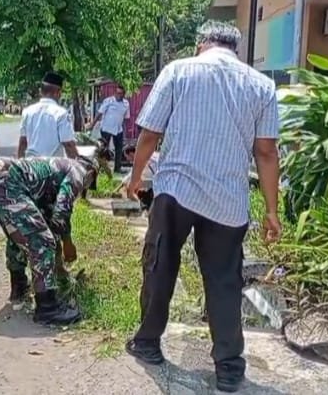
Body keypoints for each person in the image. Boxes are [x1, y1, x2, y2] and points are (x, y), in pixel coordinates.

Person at [123, 21, 281, 393]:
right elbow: (266, 152)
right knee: (224, 280)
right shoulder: (261, 85)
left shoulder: (178, 71)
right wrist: (272, 211)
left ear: (201, 44)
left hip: (176, 190)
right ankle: (229, 368)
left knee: (160, 265)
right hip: (228, 200)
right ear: (235, 49)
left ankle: (148, 343)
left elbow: (150, 133)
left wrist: (135, 178)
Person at [0, 155, 99, 325]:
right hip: (8, 186)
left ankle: (19, 286)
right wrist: (66, 243)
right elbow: (61, 212)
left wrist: (60, 264)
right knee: (42, 242)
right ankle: (47, 308)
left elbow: (49, 217)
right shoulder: (78, 171)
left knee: (20, 236)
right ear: (91, 173)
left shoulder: (56, 171)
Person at [17, 72, 79, 159]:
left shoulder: (27, 112)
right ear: (58, 92)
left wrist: (19, 163)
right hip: (52, 165)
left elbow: (23, 142)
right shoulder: (61, 114)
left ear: (41, 91)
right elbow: (68, 145)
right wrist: (78, 162)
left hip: (30, 164)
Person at [90, 84, 130, 173]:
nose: (119, 95)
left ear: (124, 94)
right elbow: (100, 113)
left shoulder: (126, 104)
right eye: (117, 93)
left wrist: (125, 130)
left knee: (119, 149)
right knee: (104, 149)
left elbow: (126, 118)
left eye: (121, 93)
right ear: (115, 93)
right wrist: (92, 124)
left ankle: (117, 168)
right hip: (106, 128)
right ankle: (101, 168)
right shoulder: (108, 101)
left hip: (118, 129)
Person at [121, 143, 159, 210]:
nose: (127, 160)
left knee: (132, 187)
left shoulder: (141, 158)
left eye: (127, 157)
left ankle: (142, 205)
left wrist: (124, 183)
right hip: (160, 178)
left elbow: (132, 175)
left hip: (159, 182)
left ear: (131, 154)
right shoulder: (149, 153)